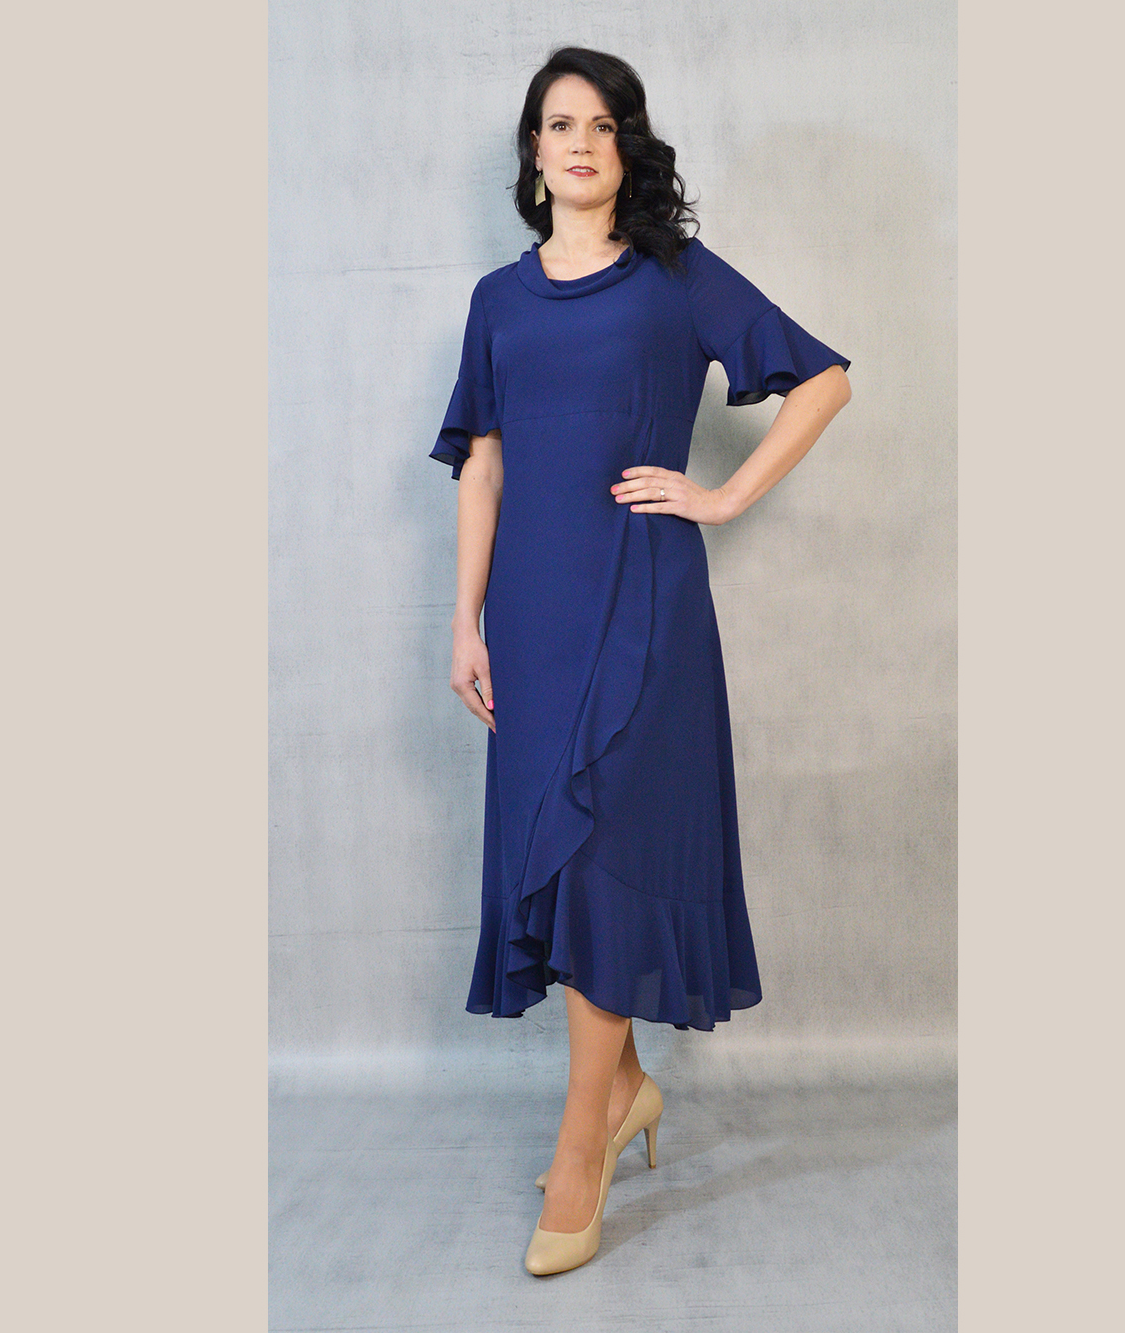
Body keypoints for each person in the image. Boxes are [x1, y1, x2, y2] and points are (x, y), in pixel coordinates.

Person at [429, 46, 852, 1276]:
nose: (579, 143)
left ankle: (582, 1142)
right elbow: (483, 467)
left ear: (626, 150)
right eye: (559, 124)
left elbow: (822, 380)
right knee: (562, 859)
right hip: (530, 615)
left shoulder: (674, 277)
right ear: (532, 152)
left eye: (602, 126)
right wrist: (464, 620)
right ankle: (623, 1093)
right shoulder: (497, 302)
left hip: (645, 605)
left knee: (607, 853)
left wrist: (721, 496)